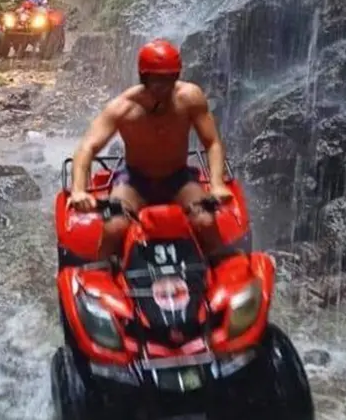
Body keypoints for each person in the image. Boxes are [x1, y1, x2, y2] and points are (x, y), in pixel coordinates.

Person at [67, 39, 234, 260]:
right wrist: (79, 189)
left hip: (178, 178)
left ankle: (219, 273)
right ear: (144, 78)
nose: (163, 88)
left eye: (169, 79)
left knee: (205, 221)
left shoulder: (190, 98)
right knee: (114, 226)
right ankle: (102, 274)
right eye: (157, 81)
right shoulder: (123, 108)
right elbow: (87, 147)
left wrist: (217, 184)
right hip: (135, 181)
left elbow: (212, 142)